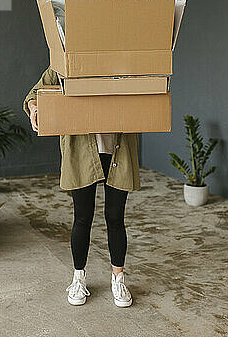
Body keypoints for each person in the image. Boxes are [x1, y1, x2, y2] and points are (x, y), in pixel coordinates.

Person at [23, 68, 140, 307]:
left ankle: (118, 278)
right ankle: (79, 278)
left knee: (115, 216)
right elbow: (35, 93)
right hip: (81, 149)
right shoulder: (66, 59)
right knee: (82, 217)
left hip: (118, 146)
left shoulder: (125, 56)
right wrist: (36, 107)